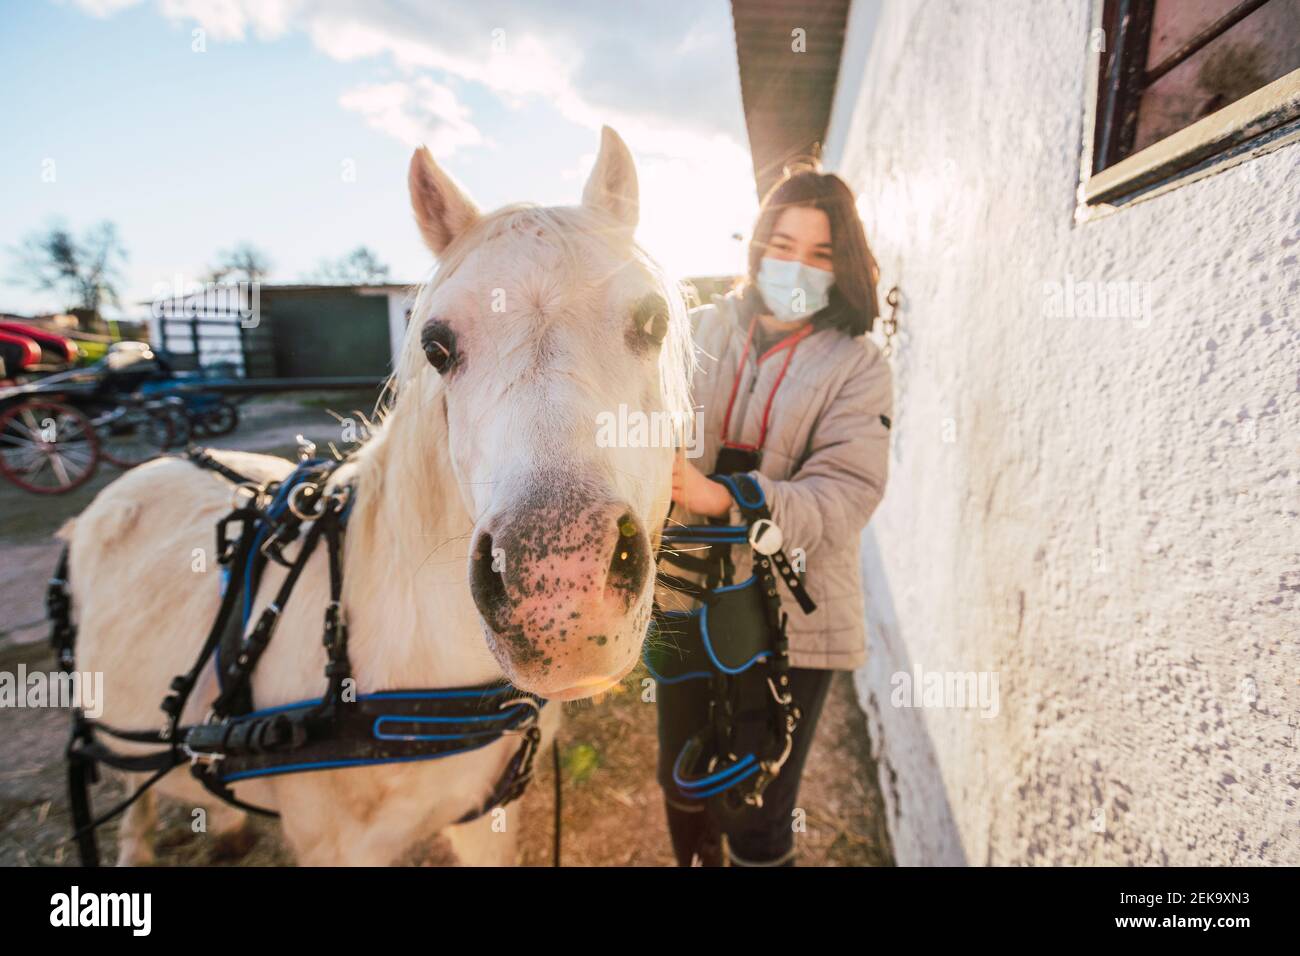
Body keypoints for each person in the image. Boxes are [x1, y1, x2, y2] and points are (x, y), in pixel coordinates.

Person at [656, 163, 892, 866]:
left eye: (821, 253)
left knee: (755, 803)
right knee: (683, 779)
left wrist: (725, 496)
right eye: (782, 243)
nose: (796, 266)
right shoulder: (693, 330)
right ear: (756, 246)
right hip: (682, 591)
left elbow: (848, 492)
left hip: (792, 616)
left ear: (844, 264)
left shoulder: (858, 364)